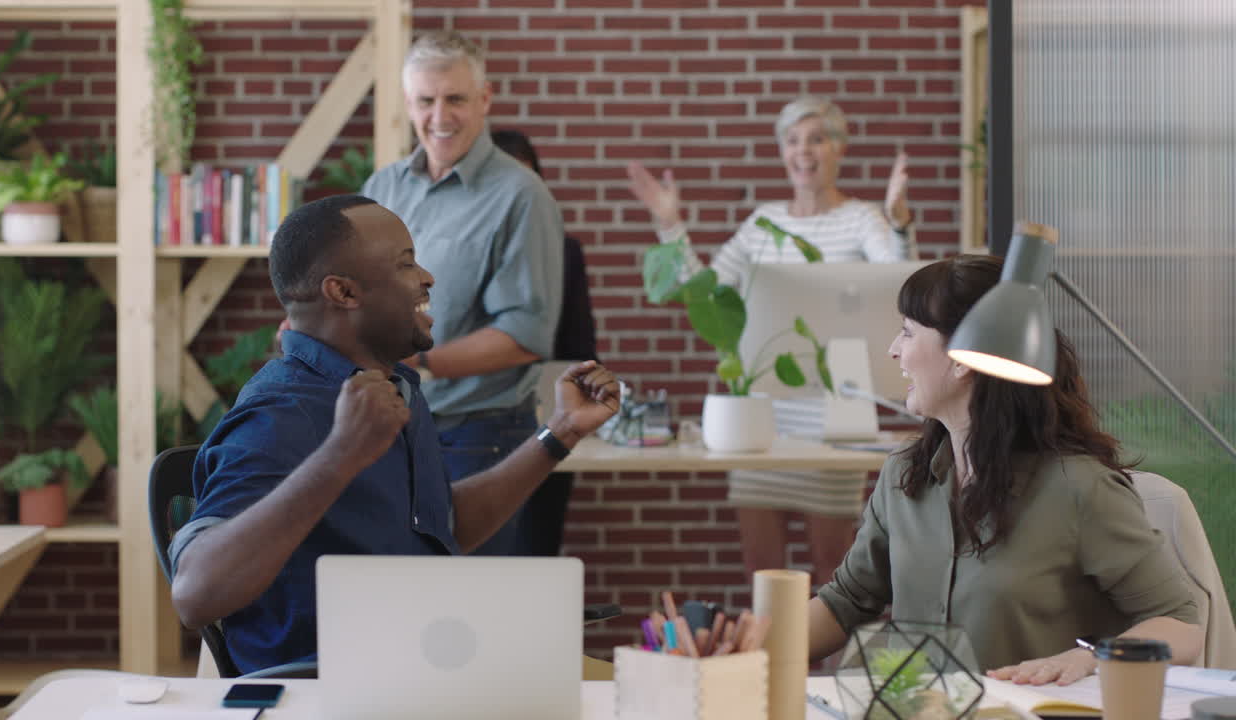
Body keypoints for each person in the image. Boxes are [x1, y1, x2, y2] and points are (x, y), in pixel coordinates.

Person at [169, 195, 619, 674]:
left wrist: (559, 433)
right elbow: (196, 594)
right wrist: (339, 457)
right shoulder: (280, 412)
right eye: (406, 264)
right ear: (343, 292)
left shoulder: (388, 385)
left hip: (422, 662)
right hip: (336, 691)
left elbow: (442, 525)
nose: (427, 277)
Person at [809, 254, 1201, 683]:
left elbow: (1179, 624)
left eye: (908, 332)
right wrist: (749, 648)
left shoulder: (1080, 489)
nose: (894, 349)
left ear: (962, 359)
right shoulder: (904, 479)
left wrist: (1087, 660)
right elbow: (846, 601)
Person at [626, 95, 912, 584]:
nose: (804, 152)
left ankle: (815, 665)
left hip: (834, 415)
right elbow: (708, 292)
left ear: (839, 150)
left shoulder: (864, 218)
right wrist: (669, 224)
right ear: (782, 151)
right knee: (762, 571)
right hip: (761, 416)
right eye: (793, 141)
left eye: (817, 139)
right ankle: (768, 664)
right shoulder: (763, 223)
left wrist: (899, 220)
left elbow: (898, 279)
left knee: (832, 573)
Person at [359, 31, 566, 556]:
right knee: (402, 596)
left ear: (485, 100)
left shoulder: (521, 196)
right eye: (425, 101)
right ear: (409, 104)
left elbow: (525, 335)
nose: (439, 116)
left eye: (455, 98)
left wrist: (421, 363)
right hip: (388, 430)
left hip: (477, 437)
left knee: (475, 607)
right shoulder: (382, 188)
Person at [491, 127, 599, 557]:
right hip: (470, 423)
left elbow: (580, 345)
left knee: (536, 550)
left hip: (545, 417)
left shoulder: (563, 250)